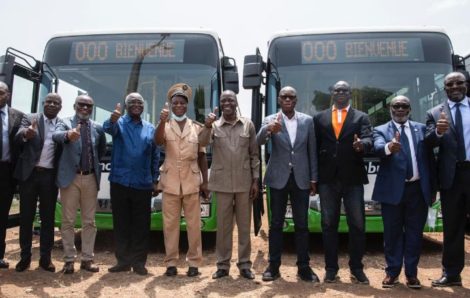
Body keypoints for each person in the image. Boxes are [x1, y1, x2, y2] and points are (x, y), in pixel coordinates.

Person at [372, 95, 435, 289]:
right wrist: (390, 147)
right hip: (392, 191)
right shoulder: (380, 130)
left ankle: (412, 274)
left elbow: (431, 158)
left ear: (409, 109)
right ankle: (392, 273)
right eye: (396, 106)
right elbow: (378, 148)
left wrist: (432, 188)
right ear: (390, 109)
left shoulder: (422, 129)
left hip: (418, 190)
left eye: (404, 106)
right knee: (392, 234)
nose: (400, 109)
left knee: (415, 234)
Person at [257, 86, 318, 282]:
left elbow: (312, 151)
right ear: (279, 100)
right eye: (284, 97)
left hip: (301, 178)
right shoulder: (270, 119)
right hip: (278, 179)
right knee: (276, 224)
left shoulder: (307, 121)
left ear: (296, 100)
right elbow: (257, 141)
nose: (287, 99)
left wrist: (313, 179)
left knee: (302, 224)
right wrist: (268, 130)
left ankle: (304, 267)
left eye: (291, 96)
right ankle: (273, 267)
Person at [314, 80, 372, 284]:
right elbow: (314, 148)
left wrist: (361, 145)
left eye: (344, 90)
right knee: (328, 224)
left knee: (357, 224)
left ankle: (356, 268)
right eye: (337, 90)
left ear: (350, 93)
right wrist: (314, 177)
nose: (340, 93)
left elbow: (368, 139)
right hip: (327, 179)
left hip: (353, 178)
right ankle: (331, 269)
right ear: (332, 92)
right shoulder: (319, 118)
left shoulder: (361, 116)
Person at [200, 90, 260, 280]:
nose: (227, 102)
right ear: (220, 104)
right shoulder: (214, 126)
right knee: (224, 227)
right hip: (222, 184)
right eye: (223, 100)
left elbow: (254, 154)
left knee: (244, 227)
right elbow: (201, 143)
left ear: (236, 103)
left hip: (244, 183)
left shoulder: (247, 124)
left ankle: (244, 265)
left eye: (230, 100)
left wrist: (256, 180)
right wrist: (207, 125)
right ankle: (222, 266)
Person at [154, 83, 210, 277]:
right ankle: (171, 263)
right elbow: (158, 141)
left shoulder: (197, 127)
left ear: (187, 106)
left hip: (191, 182)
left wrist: (205, 182)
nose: (178, 105)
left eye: (182, 103)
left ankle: (194, 263)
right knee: (170, 225)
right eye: (175, 102)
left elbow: (202, 154)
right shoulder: (165, 125)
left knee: (194, 225)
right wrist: (161, 122)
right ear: (170, 105)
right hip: (170, 182)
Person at [103, 93, 160, 276]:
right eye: (132, 102)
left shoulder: (150, 128)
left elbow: (155, 156)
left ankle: (139, 263)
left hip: (142, 183)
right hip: (120, 181)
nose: (136, 105)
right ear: (126, 106)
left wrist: (154, 179)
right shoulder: (118, 124)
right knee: (121, 223)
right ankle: (123, 261)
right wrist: (112, 119)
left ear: (143, 107)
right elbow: (108, 128)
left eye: (139, 102)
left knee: (141, 225)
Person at [52, 94, 106, 274]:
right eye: (81, 105)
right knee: (67, 221)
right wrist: (68, 135)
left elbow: (101, 149)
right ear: (75, 106)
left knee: (89, 222)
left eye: (89, 106)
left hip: (90, 178)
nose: (85, 108)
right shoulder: (65, 122)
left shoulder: (97, 128)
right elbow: (56, 136)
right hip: (70, 178)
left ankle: (87, 259)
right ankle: (69, 260)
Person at [426, 72, 470, 287]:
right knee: (452, 227)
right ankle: (452, 274)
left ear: (466, 85)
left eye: (459, 83)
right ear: (444, 88)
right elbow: (427, 142)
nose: (455, 87)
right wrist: (438, 133)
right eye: (450, 84)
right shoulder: (434, 113)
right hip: (451, 178)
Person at [13, 93, 63, 272]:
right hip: (30, 175)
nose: (51, 104)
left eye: (55, 103)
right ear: (43, 103)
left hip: (49, 177)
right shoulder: (30, 118)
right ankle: (24, 258)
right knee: (26, 217)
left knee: (48, 219)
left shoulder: (62, 124)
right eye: (48, 101)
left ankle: (45, 259)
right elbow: (18, 135)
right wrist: (27, 133)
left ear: (60, 107)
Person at [0, 81, 24, 269]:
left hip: (6, 172)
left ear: (7, 95)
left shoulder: (17, 116)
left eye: (1, 93)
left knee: (2, 215)